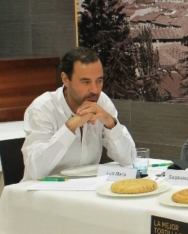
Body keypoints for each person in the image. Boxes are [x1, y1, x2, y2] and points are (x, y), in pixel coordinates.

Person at [21, 47, 136, 181]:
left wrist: (110, 123)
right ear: (65, 79)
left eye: (99, 81)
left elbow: (128, 158)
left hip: (87, 188)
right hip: (45, 189)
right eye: (85, 82)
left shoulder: (102, 102)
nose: (95, 90)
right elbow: (35, 171)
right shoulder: (42, 109)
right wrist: (70, 128)